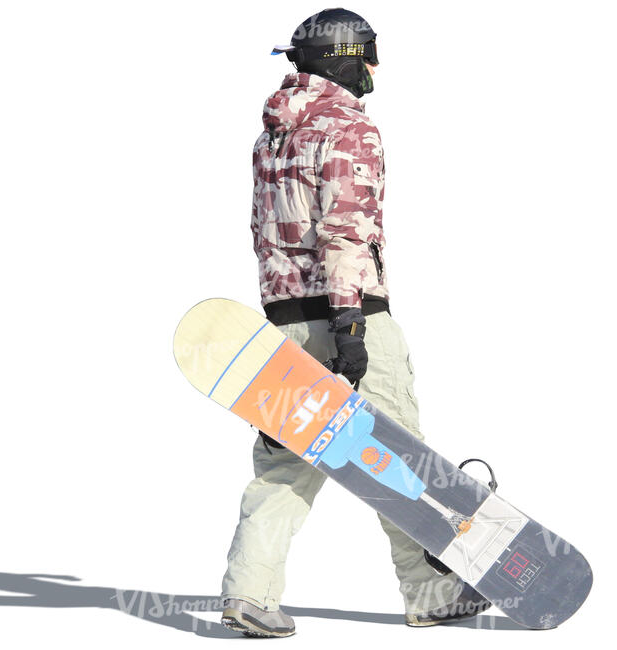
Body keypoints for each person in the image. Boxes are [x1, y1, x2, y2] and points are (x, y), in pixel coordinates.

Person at [220, 8, 491, 637]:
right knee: (398, 457)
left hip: (285, 323)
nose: (374, 68)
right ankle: (430, 591)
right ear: (344, 55)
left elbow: (268, 236)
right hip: (352, 316)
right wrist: (349, 327)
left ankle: (248, 593)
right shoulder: (348, 126)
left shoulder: (271, 135)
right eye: (369, 53)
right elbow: (345, 230)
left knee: (287, 462)